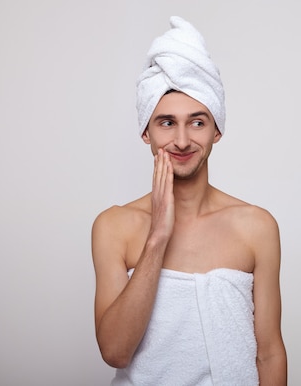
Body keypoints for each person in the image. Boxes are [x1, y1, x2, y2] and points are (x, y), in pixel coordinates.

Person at [91, 16, 287, 385]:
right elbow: (115, 351)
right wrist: (157, 239)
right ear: (146, 132)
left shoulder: (256, 227)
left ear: (217, 131)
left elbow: (270, 352)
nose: (181, 141)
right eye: (166, 123)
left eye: (197, 122)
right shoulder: (113, 227)